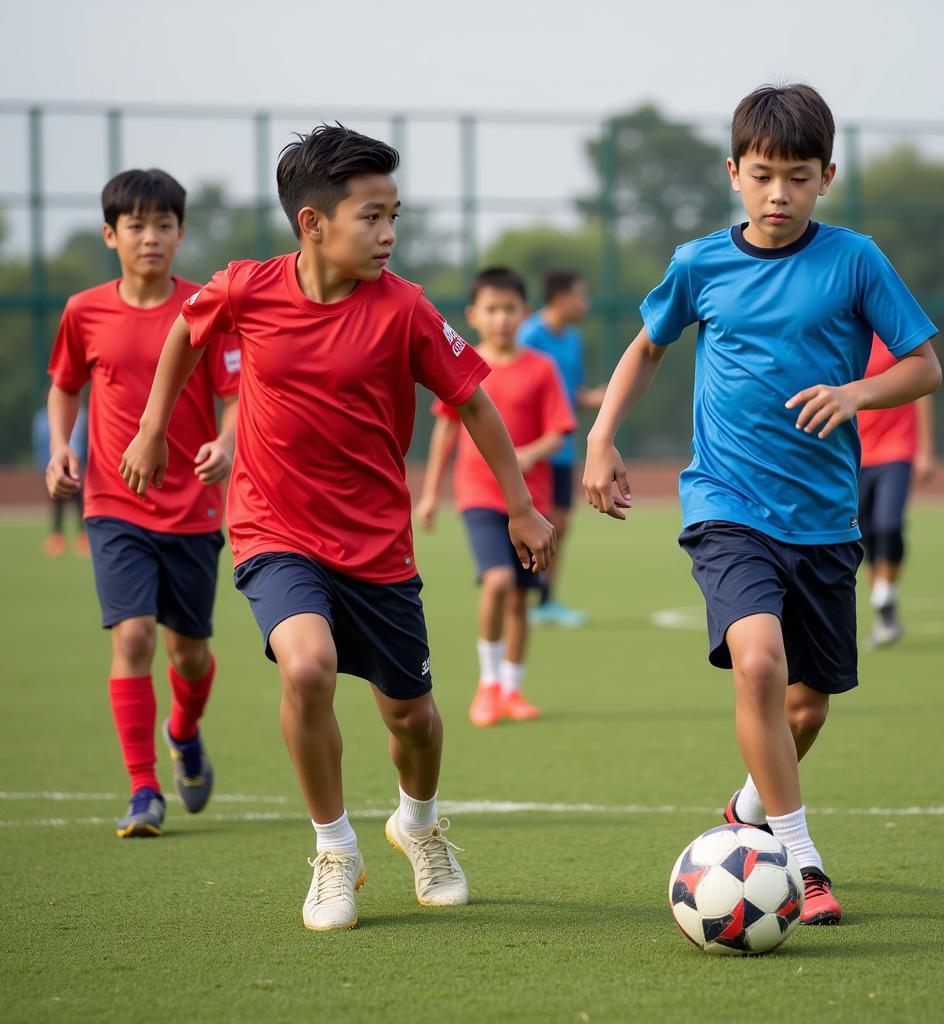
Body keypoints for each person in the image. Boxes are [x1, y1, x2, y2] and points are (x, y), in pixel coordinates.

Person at [120, 125, 555, 932]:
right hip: (272, 528)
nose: (389, 234)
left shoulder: (407, 309)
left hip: (378, 545)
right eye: (372, 217)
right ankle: (333, 851)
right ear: (313, 224)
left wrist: (521, 503)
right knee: (307, 667)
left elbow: (473, 403)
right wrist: (152, 425)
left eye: (395, 215)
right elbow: (186, 329)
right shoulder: (248, 288)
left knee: (413, 720)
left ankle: (419, 827)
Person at [582, 84, 940, 926]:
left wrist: (857, 393)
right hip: (726, 505)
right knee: (759, 665)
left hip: (823, 517)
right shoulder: (699, 262)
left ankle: (749, 810)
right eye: (764, 174)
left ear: (827, 178)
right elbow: (646, 348)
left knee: (807, 704)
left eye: (799, 177)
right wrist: (601, 438)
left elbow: (924, 366)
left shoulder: (856, 260)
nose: (779, 193)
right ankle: (802, 860)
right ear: (733, 172)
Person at [45, 168, 240, 838]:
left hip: (192, 506)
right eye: (137, 225)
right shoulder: (83, 311)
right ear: (111, 234)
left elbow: (238, 395)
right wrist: (61, 448)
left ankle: (184, 733)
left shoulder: (205, 309)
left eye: (164, 225)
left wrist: (224, 440)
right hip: (114, 502)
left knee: (188, 653)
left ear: (181, 234)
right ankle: (143, 789)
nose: (151, 237)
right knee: (132, 636)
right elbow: (65, 385)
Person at [417, 267, 575, 726]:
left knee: (521, 599)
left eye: (510, 309)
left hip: (530, 502)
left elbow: (559, 431)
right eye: (491, 309)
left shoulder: (541, 368)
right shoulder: (462, 363)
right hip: (479, 496)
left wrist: (528, 455)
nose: (501, 318)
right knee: (498, 582)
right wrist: (429, 493)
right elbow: (447, 429)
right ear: (473, 315)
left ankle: (512, 687)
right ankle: (487, 684)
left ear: (524, 313)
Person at [520, 270, 606, 627]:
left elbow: (569, 395)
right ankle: (519, 595)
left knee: (560, 526)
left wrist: (599, 398)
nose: (585, 303)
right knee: (531, 525)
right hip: (533, 451)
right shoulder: (529, 335)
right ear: (560, 298)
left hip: (563, 449)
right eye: (580, 295)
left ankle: (544, 601)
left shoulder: (571, 338)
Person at [858, 335, 935, 647]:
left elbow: (923, 388)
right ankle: (882, 607)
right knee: (863, 535)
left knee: (889, 525)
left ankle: (884, 600)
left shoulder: (896, 332)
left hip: (896, 448)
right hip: (856, 452)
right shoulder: (841, 328)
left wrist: (926, 449)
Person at [34, 396, 88, 557]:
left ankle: (82, 536)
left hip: (73, 462)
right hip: (54, 462)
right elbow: (41, 443)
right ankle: (57, 538)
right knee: (57, 500)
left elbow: (83, 440)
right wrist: (44, 465)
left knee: (78, 500)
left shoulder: (81, 415)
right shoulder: (42, 418)